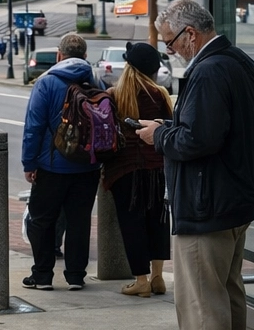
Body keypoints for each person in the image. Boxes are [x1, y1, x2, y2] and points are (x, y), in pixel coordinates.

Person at [136, 0, 254, 330]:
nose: (170, 50)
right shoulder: (238, 61)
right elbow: (218, 130)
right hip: (235, 199)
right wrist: (171, 128)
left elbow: (198, 141)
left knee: (201, 298)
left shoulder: (209, 71)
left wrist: (157, 137)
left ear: (190, 34)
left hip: (207, 200)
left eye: (171, 41)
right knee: (227, 291)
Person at [21, 33, 103, 290]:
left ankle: (43, 275)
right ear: (85, 56)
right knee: (79, 220)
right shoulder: (95, 80)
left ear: (59, 55)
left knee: (42, 219)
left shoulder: (46, 83)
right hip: (88, 165)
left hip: (52, 165)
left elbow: (34, 126)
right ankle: (76, 276)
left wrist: (29, 163)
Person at [103, 42, 172, 297]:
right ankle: (158, 277)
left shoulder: (114, 94)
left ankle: (140, 280)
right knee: (158, 220)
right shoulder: (161, 94)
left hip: (125, 169)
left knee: (132, 223)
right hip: (156, 167)